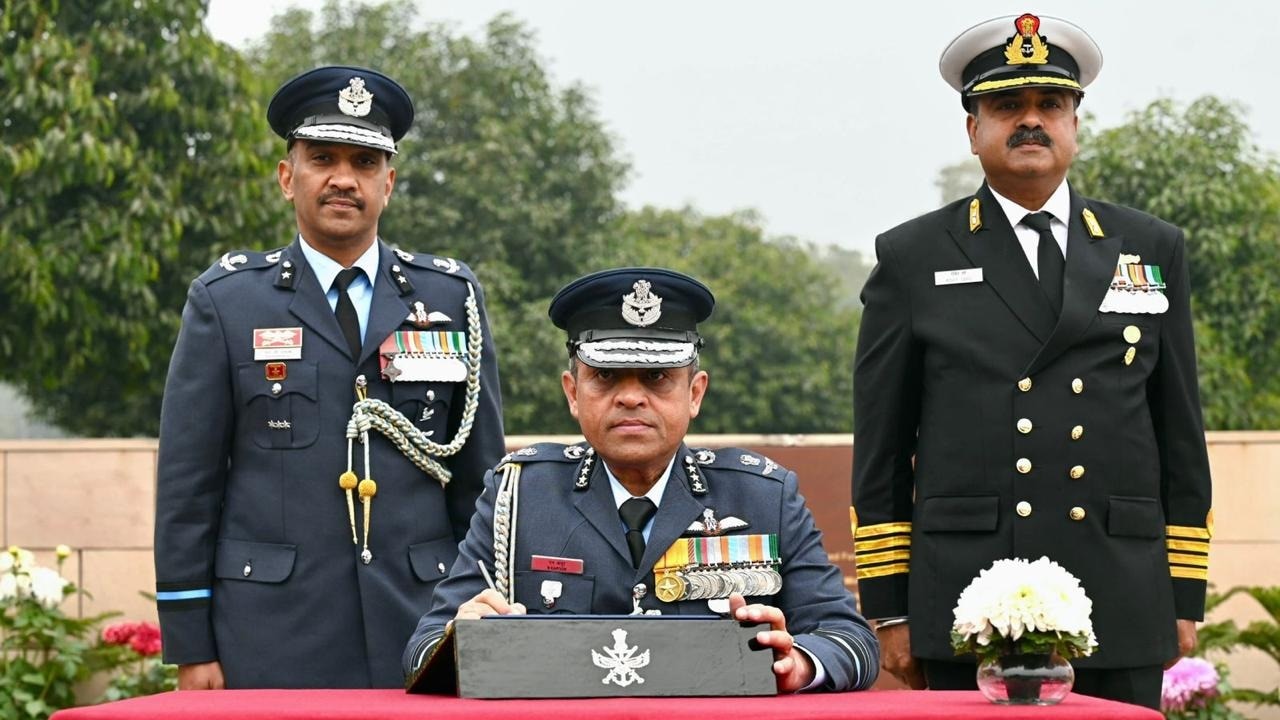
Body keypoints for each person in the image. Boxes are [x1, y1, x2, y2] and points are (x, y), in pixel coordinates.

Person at [850, 13, 1214, 709]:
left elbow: (1179, 432)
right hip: (970, 598)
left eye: (1050, 104)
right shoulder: (914, 256)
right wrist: (891, 610)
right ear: (973, 130)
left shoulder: (1148, 247)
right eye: (1006, 106)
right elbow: (883, 451)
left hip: (1120, 588)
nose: (1030, 121)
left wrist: (1183, 591)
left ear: (1075, 124)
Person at [153, 65, 505, 689]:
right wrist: (191, 644)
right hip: (269, 631)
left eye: (365, 163)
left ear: (388, 184)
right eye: (322, 159)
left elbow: (481, 482)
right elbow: (189, 486)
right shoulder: (227, 301)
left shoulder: (450, 297)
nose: (344, 178)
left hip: (423, 620)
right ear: (288, 178)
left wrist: (486, 613)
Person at [403, 267, 880, 693]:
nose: (630, 398)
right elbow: (423, 650)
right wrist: (462, 639)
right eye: (605, 376)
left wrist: (798, 663)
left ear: (695, 393)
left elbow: (851, 639)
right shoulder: (519, 496)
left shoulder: (762, 496)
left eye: (656, 378)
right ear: (573, 393)